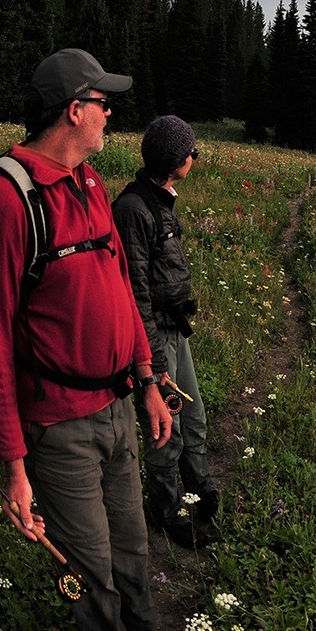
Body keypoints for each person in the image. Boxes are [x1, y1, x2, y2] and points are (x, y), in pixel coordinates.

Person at [0, 48, 175, 631]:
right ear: (73, 110)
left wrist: (146, 379)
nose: (111, 113)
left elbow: (117, 286)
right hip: (57, 427)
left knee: (131, 543)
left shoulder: (86, 181)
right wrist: (15, 466)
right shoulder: (5, 199)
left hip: (117, 406)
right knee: (81, 569)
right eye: (102, 102)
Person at [114, 115, 221, 548]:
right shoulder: (133, 210)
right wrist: (153, 365)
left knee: (192, 417)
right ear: (176, 158)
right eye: (191, 151)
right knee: (166, 430)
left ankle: (201, 488)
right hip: (155, 337)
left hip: (175, 328)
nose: (195, 157)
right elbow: (135, 294)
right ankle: (169, 512)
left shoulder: (160, 201)